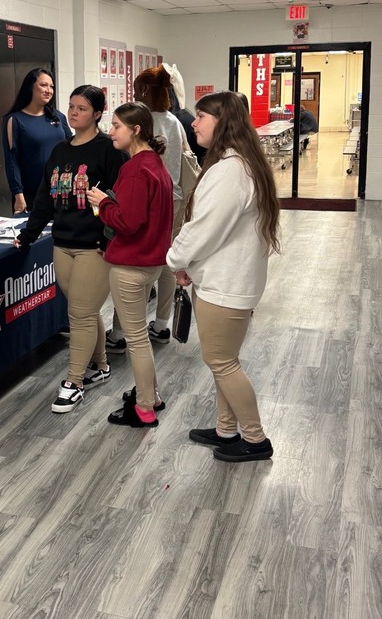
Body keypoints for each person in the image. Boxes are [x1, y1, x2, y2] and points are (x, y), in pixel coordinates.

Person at [167, 90, 280, 462]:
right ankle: (226, 430)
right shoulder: (239, 163)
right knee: (224, 359)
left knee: (222, 362)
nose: (194, 123)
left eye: (201, 117)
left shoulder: (230, 171)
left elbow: (203, 229)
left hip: (226, 288)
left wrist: (175, 259)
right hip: (226, 282)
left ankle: (255, 439)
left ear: (223, 122)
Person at [15, 86, 128, 412]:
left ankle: (74, 381)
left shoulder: (109, 150)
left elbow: (120, 201)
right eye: (71, 106)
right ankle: (101, 366)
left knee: (78, 313)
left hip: (94, 247)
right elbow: (43, 200)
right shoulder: (60, 151)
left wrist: (111, 238)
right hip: (62, 245)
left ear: (97, 113)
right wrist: (28, 234)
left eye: (81, 108)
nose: (74, 112)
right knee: (85, 310)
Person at [87, 102, 173, 429]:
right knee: (140, 338)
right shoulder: (155, 164)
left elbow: (128, 221)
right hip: (150, 262)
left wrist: (103, 203)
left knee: (136, 339)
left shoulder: (136, 168)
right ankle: (152, 395)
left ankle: (144, 407)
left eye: (117, 126)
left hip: (131, 265)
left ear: (135, 130)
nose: (111, 132)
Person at [132, 64, 186, 345]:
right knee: (167, 262)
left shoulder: (139, 123)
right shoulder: (174, 122)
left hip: (146, 202)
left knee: (136, 265)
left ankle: (126, 330)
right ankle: (162, 324)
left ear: (142, 90)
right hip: (173, 199)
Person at [2, 68, 71, 213]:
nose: (49, 90)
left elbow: (72, 147)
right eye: (43, 85)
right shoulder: (14, 120)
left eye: (51, 86)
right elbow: (11, 161)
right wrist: (18, 195)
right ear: (31, 87)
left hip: (63, 192)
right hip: (33, 196)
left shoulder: (58, 117)